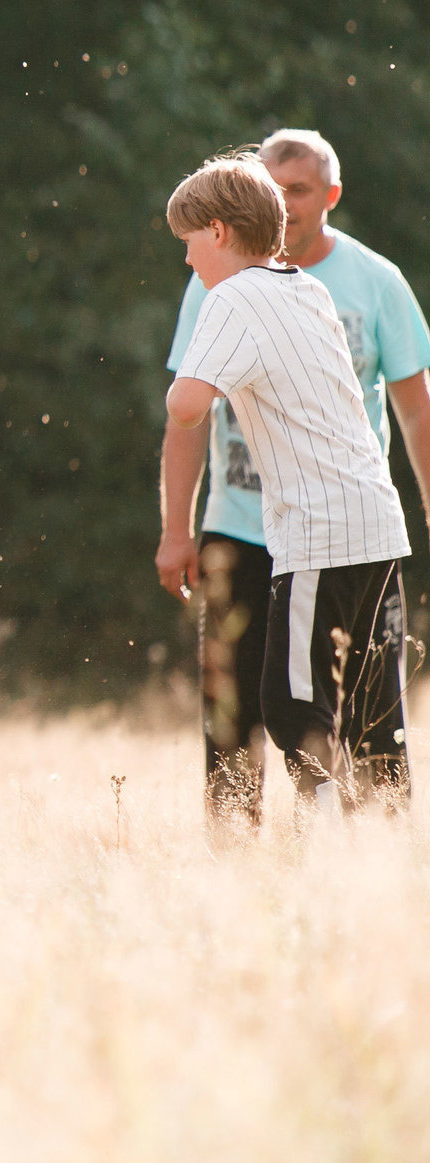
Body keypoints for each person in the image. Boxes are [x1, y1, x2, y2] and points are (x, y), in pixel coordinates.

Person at [157, 129, 430, 823]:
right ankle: (376, 831)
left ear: (217, 231)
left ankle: (335, 834)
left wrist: (212, 376)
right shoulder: (304, 287)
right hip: (377, 523)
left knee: (287, 704)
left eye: (190, 241)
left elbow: (185, 405)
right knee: (364, 701)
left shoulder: (232, 299)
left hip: (318, 531)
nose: (188, 257)